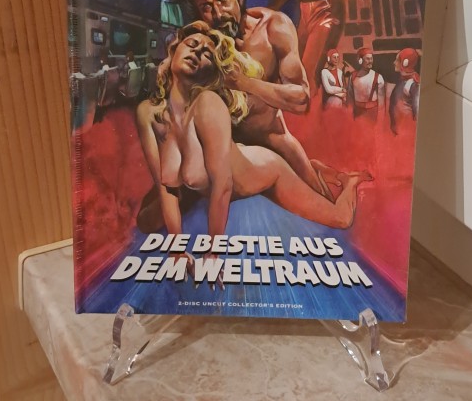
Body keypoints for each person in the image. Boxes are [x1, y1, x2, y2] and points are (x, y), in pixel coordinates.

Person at [136, 23, 370, 239]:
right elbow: (165, 187)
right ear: (174, 49)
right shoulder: (148, 112)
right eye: (192, 44)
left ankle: (349, 181)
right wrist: (176, 249)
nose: (197, 52)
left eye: (207, 53)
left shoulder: (208, 104)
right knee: (146, 222)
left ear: (211, 71)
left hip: (266, 170)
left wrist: (213, 250)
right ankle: (319, 168)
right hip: (236, 159)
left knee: (340, 219)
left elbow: (223, 186)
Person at [183, 0, 334, 198]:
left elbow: (300, 99)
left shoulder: (273, 27)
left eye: (223, 0)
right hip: (225, 152)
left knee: (324, 206)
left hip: (273, 140)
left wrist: (243, 83)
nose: (218, 14)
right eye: (206, 7)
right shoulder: (200, 43)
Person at [390, 47, 420, 134]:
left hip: (407, 131)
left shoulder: (413, 84)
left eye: (397, 60)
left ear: (405, 63)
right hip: (399, 131)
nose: (394, 63)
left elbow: (417, 113)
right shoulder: (402, 81)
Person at [349, 48, 385, 121]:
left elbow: (381, 104)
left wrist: (380, 121)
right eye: (368, 59)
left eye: (371, 58)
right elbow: (350, 99)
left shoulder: (378, 77)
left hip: (372, 114)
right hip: (357, 114)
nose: (370, 61)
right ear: (360, 60)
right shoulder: (352, 77)